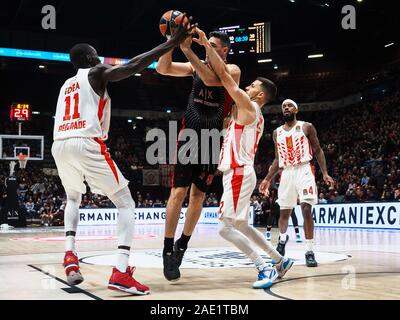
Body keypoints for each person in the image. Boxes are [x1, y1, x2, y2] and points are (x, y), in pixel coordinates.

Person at [51, 15, 194, 294]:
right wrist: (172, 43)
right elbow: (133, 65)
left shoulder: (65, 85)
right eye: (97, 55)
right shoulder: (95, 72)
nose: (99, 57)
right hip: (85, 141)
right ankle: (120, 270)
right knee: (127, 204)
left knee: (72, 197)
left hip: (59, 144)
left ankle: (70, 256)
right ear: (91, 58)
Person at [193, 27, 293, 288]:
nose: (246, 87)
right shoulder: (246, 110)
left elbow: (226, 78)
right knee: (240, 224)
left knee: (225, 227)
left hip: (238, 171)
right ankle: (279, 260)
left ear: (259, 95)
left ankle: (263, 267)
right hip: (239, 172)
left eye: (251, 86)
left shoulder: (250, 106)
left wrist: (206, 46)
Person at [156, 27, 241, 281]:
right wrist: (171, 43)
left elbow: (212, 79)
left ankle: (182, 245)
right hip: (190, 136)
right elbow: (163, 68)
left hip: (213, 139)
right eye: (207, 44)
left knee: (198, 195)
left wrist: (191, 48)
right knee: (178, 192)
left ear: (225, 51)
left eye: (213, 46)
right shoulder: (196, 66)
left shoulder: (233, 70)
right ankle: (167, 248)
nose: (207, 48)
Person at [260, 99, 335, 267]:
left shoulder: (306, 126)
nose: (286, 108)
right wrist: (266, 179)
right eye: (283, 106)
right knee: (284, 212)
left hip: (304, 169)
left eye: (289, 106)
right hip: (286, 172)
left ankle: (309, 250)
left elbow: (317, 150)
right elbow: (277, 159)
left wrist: (324, 173)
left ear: (296, 109)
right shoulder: (276, 133)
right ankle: (282, 241)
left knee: (306, 208)